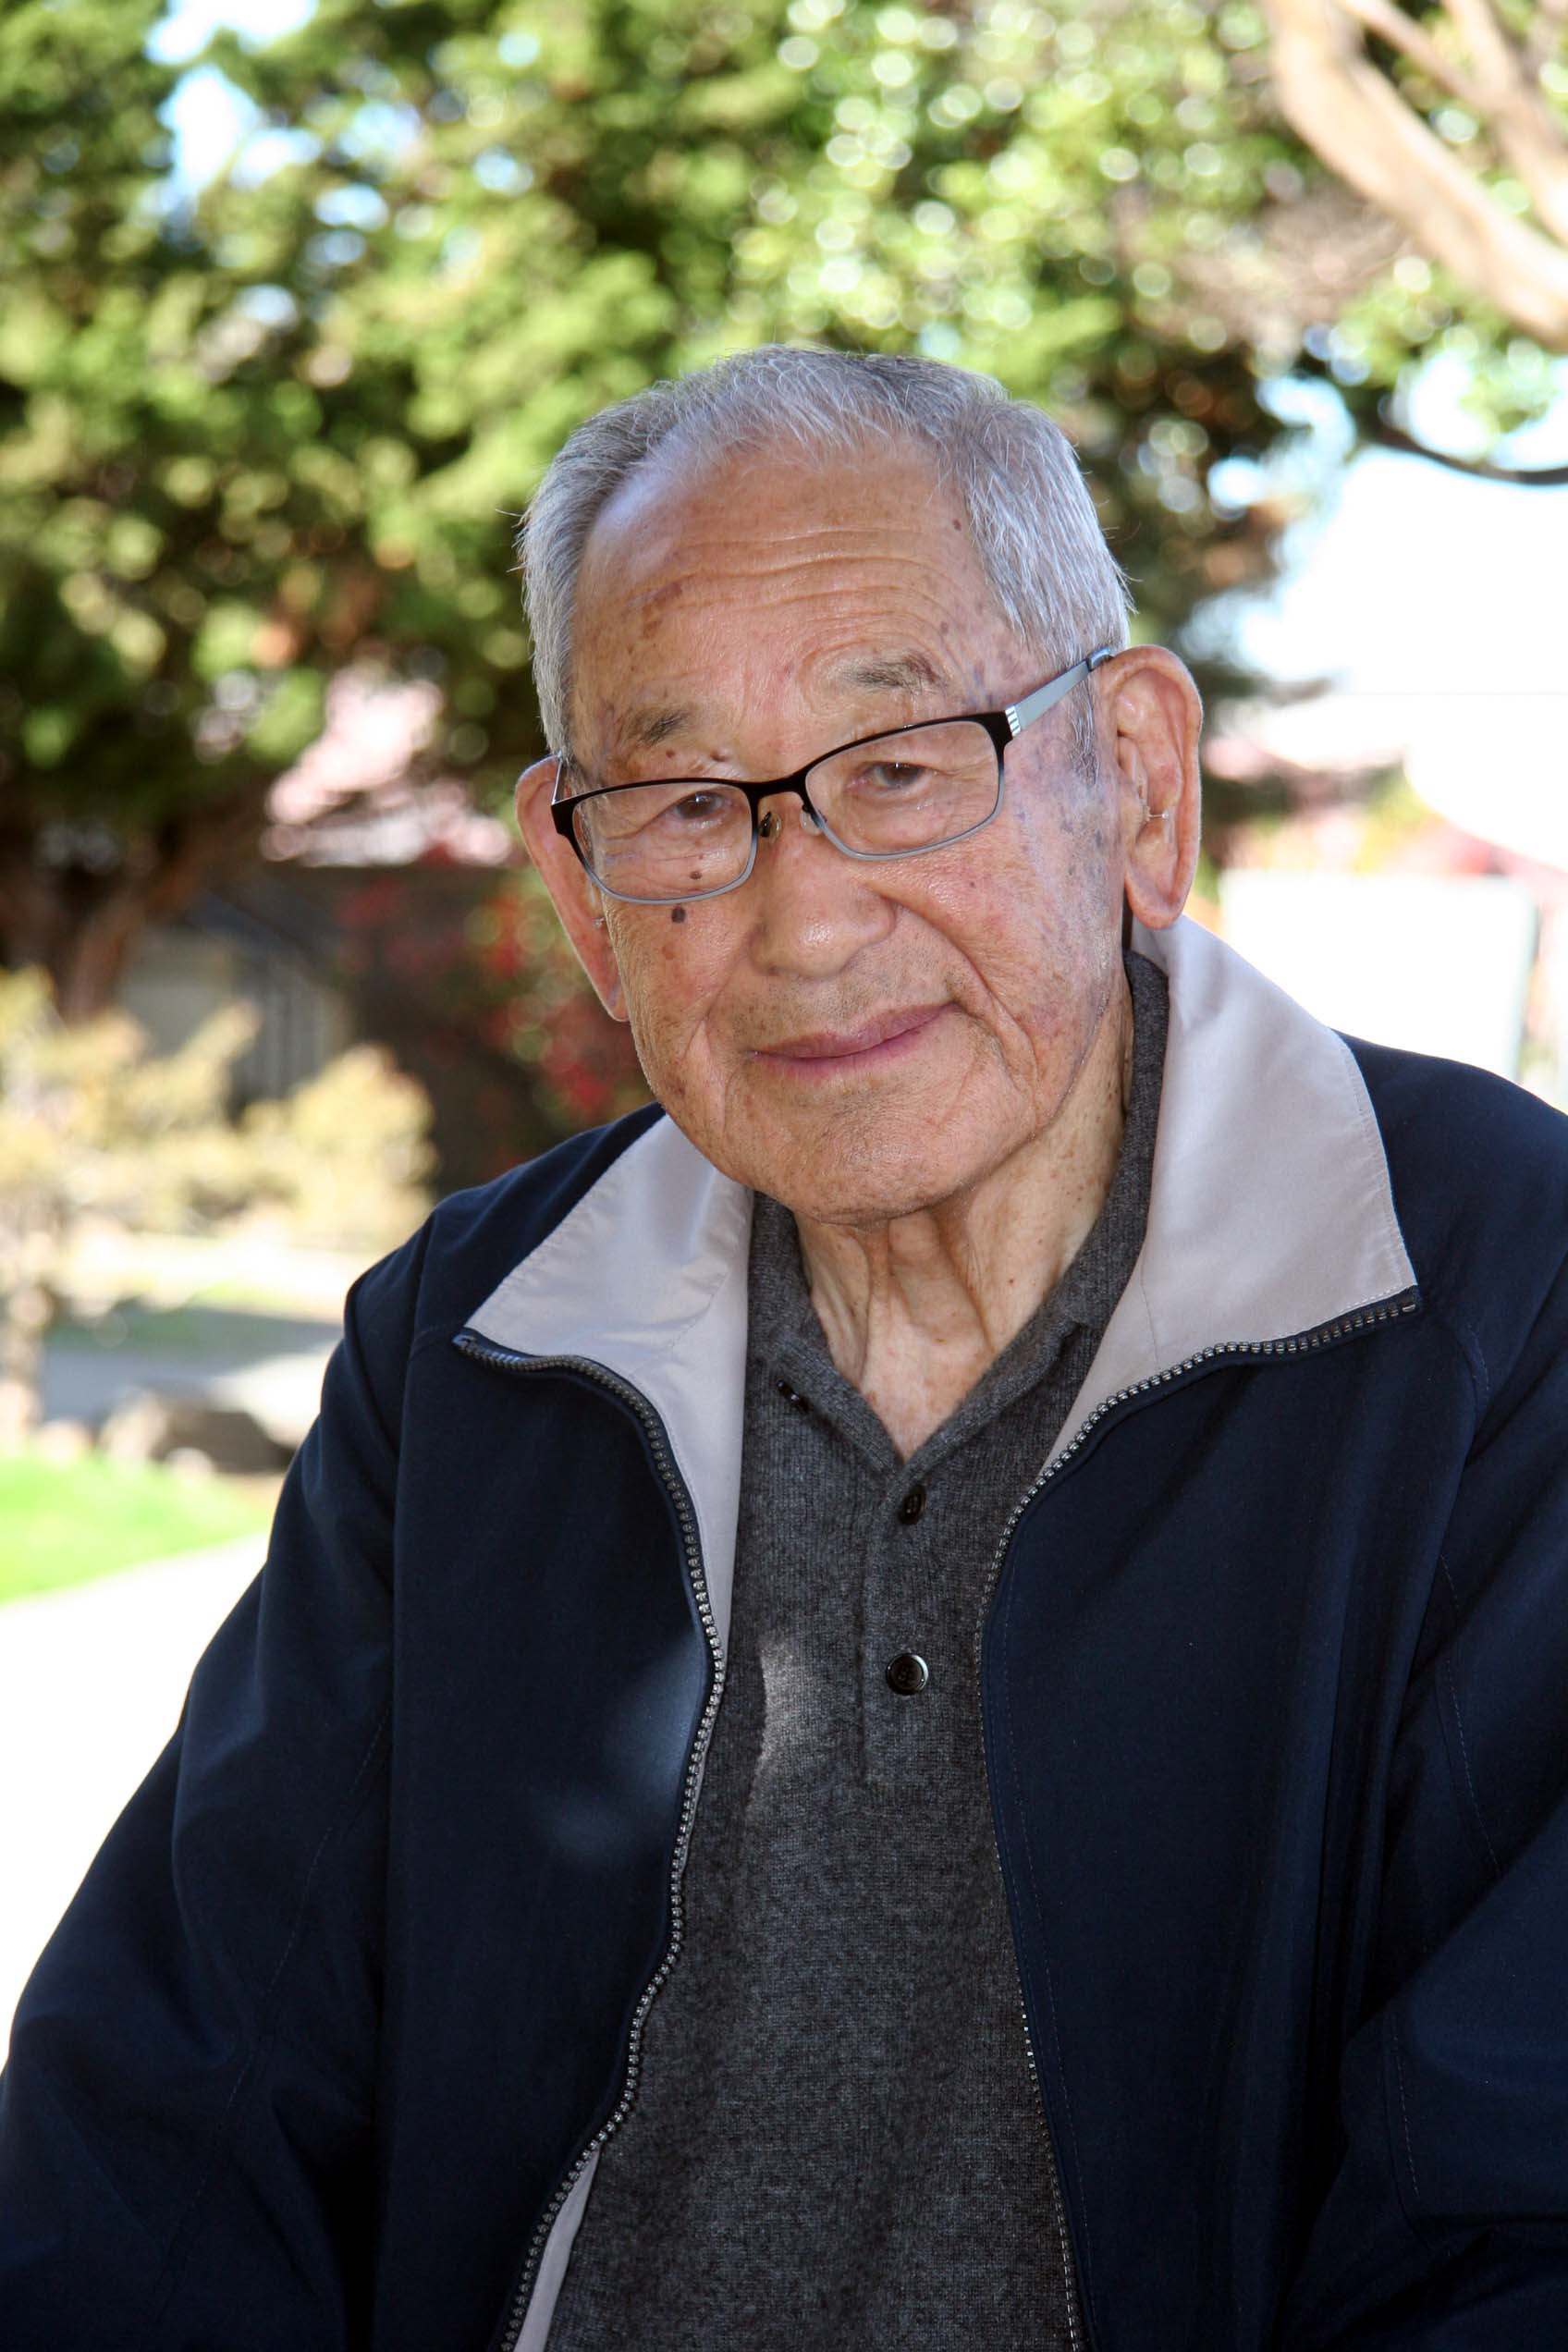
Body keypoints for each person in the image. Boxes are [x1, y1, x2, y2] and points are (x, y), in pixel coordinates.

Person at [3, 346, 1567, 2352]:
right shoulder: (476, 1345)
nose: (804, 919)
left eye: (903, 765)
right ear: (580, 887)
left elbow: (1514, 2213)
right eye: (680, 807)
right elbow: (176, 2118)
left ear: (1138, 785)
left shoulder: (1496, 1310)